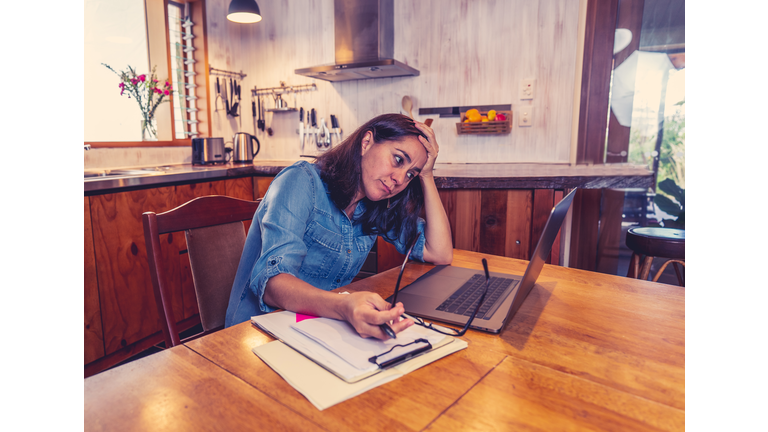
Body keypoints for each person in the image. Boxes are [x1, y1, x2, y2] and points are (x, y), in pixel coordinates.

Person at [224, 113, 453, 340]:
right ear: (366, 143)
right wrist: (344, 305)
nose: (400, 179)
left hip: (314, 328)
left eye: (411, 174)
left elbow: (439, 252)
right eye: (398, 160)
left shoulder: (374, 206)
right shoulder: (300, 181)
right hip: (255, 336)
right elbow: (273, 284)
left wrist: (427, 174)